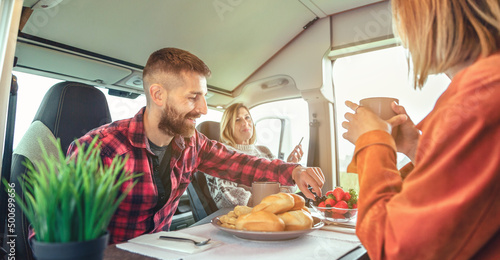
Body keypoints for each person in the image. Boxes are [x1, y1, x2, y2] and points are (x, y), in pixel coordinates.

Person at [67, 48, 325, 244]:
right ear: (158, 95)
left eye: (204, 97)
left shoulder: (192, 144)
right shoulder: (99, 149)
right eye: (193, 98)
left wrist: (293, 171)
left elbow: (241, 163)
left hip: (163, 257)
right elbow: (59, 239)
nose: (203, 109)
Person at [342, 1, 500, 260]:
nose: (405, 36)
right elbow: (470, 188)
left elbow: (398, 259)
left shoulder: (480, 97)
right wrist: (415, 146)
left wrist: (373, 142)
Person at [205, 103, 303, 208]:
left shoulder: (265, 151)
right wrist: (275, 199)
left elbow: (289, 191)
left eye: (247, 117)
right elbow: (228, 198)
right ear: (227, 126)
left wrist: (289, 167)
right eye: (237, 120)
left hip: (277, 209)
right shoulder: (222, 154)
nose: (245, 122)